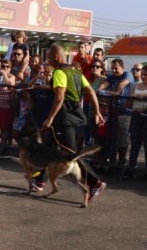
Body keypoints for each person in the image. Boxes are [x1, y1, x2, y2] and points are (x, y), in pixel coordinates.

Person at [39, 44, 107, 202]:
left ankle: (94, 182)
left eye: (49, 57)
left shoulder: (59, 72)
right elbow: (90, 91)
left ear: (56, 56)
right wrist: (97, 111)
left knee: (71, 155)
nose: (48, 60)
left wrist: (49, 118)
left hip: (65, 119)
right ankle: (39, 178)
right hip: (78, 118)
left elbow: (60, 97)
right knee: (60, 150)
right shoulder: (76, 72)